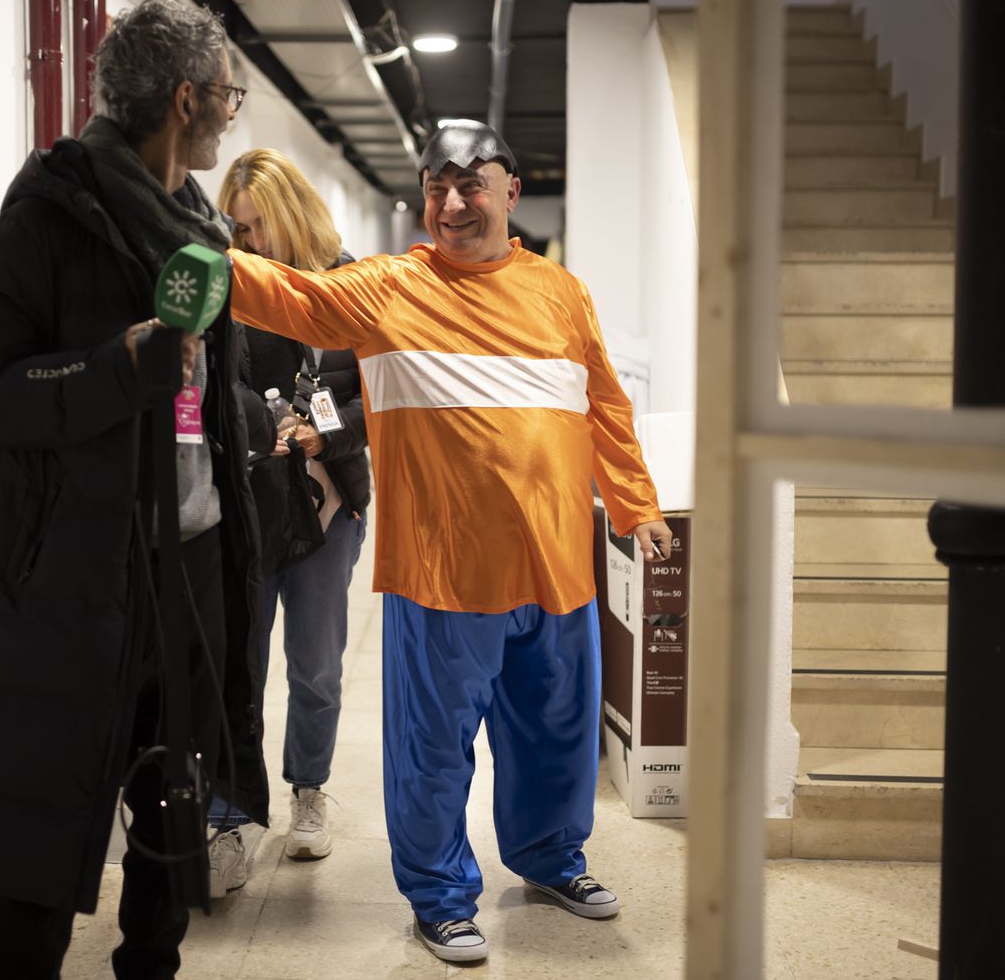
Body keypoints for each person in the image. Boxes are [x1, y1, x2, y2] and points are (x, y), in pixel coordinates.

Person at [225, 120, 674, 964]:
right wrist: (189, 254)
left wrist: (636, 503)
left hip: (555, 561)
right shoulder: (387, 285)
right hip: (442, 569)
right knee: (432, 745)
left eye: (474, 183)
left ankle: (551, 858)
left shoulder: (562, 292)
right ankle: (438, 894)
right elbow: (285, 295)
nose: (455, 201)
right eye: (438, 184)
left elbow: (604, 405)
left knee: (556, 728)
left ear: (512, 191)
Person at [0, 0, 268, 980]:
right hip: (74, 579)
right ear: (187, 98)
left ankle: (148, 966)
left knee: (173, 799)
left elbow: (200, 393)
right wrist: (113, 366)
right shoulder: (48, 216)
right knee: (41, 829)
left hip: (187, 559)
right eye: (227, 98)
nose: (229, 116)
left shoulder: (197, 225)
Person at [204, 149, 372, 895]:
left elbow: (390, 401)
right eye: (237, 229)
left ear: (293, 211)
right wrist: (251, 422)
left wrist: (322, 434)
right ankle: (229, 816)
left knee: (316, 668)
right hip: (245, 504)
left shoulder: (351, 282)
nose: (250, 243)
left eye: (259, 225)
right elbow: (205, 386)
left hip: (327, 506)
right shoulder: (230, 284)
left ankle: (308, 789)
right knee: (237, 666)